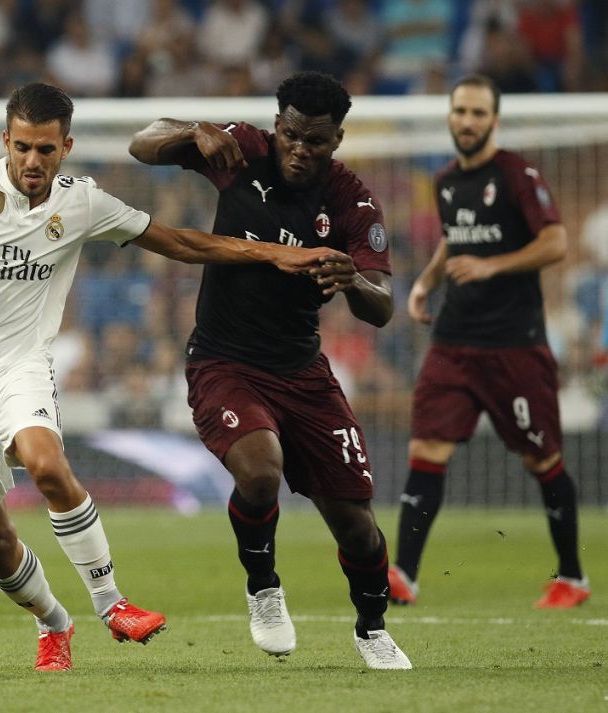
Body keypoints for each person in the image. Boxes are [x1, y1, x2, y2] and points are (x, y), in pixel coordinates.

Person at [0, 82, 350, 672]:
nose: (33, 162)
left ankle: (112, 604)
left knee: (46, 464)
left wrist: (274, 253)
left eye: (46, 150)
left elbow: (182, 243)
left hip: (19, 368)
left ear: (66, 146)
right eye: (23, 148)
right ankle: (54, 622)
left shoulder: (81, 203)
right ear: (5, 142)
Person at [129, 70, 412, 670]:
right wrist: (193, 130)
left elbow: (382, 306)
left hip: (303, 373)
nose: (299, 150)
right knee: (260, 472)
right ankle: (263, 587)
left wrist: (352, 281)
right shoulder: (242, 148)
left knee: (357, 528)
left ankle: (372, 628)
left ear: (336, 140)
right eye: (291, 135)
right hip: (223, 361)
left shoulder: (352, 201)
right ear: (276, 125)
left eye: (315, 141)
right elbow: (142, 144)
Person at [388, 73, 589, 610]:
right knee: (426, 448)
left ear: (494, 119)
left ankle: (572, 576)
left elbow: (555, 241)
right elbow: (456, 240)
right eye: (460, 112)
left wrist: (493, 265)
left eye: (479, 113)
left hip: (513, 346)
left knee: (541, 459)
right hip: (453, 341)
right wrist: (428, 282)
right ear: (450, 117)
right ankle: (403, 574)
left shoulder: (518, 173)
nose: (468, 122)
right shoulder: (447, 180)